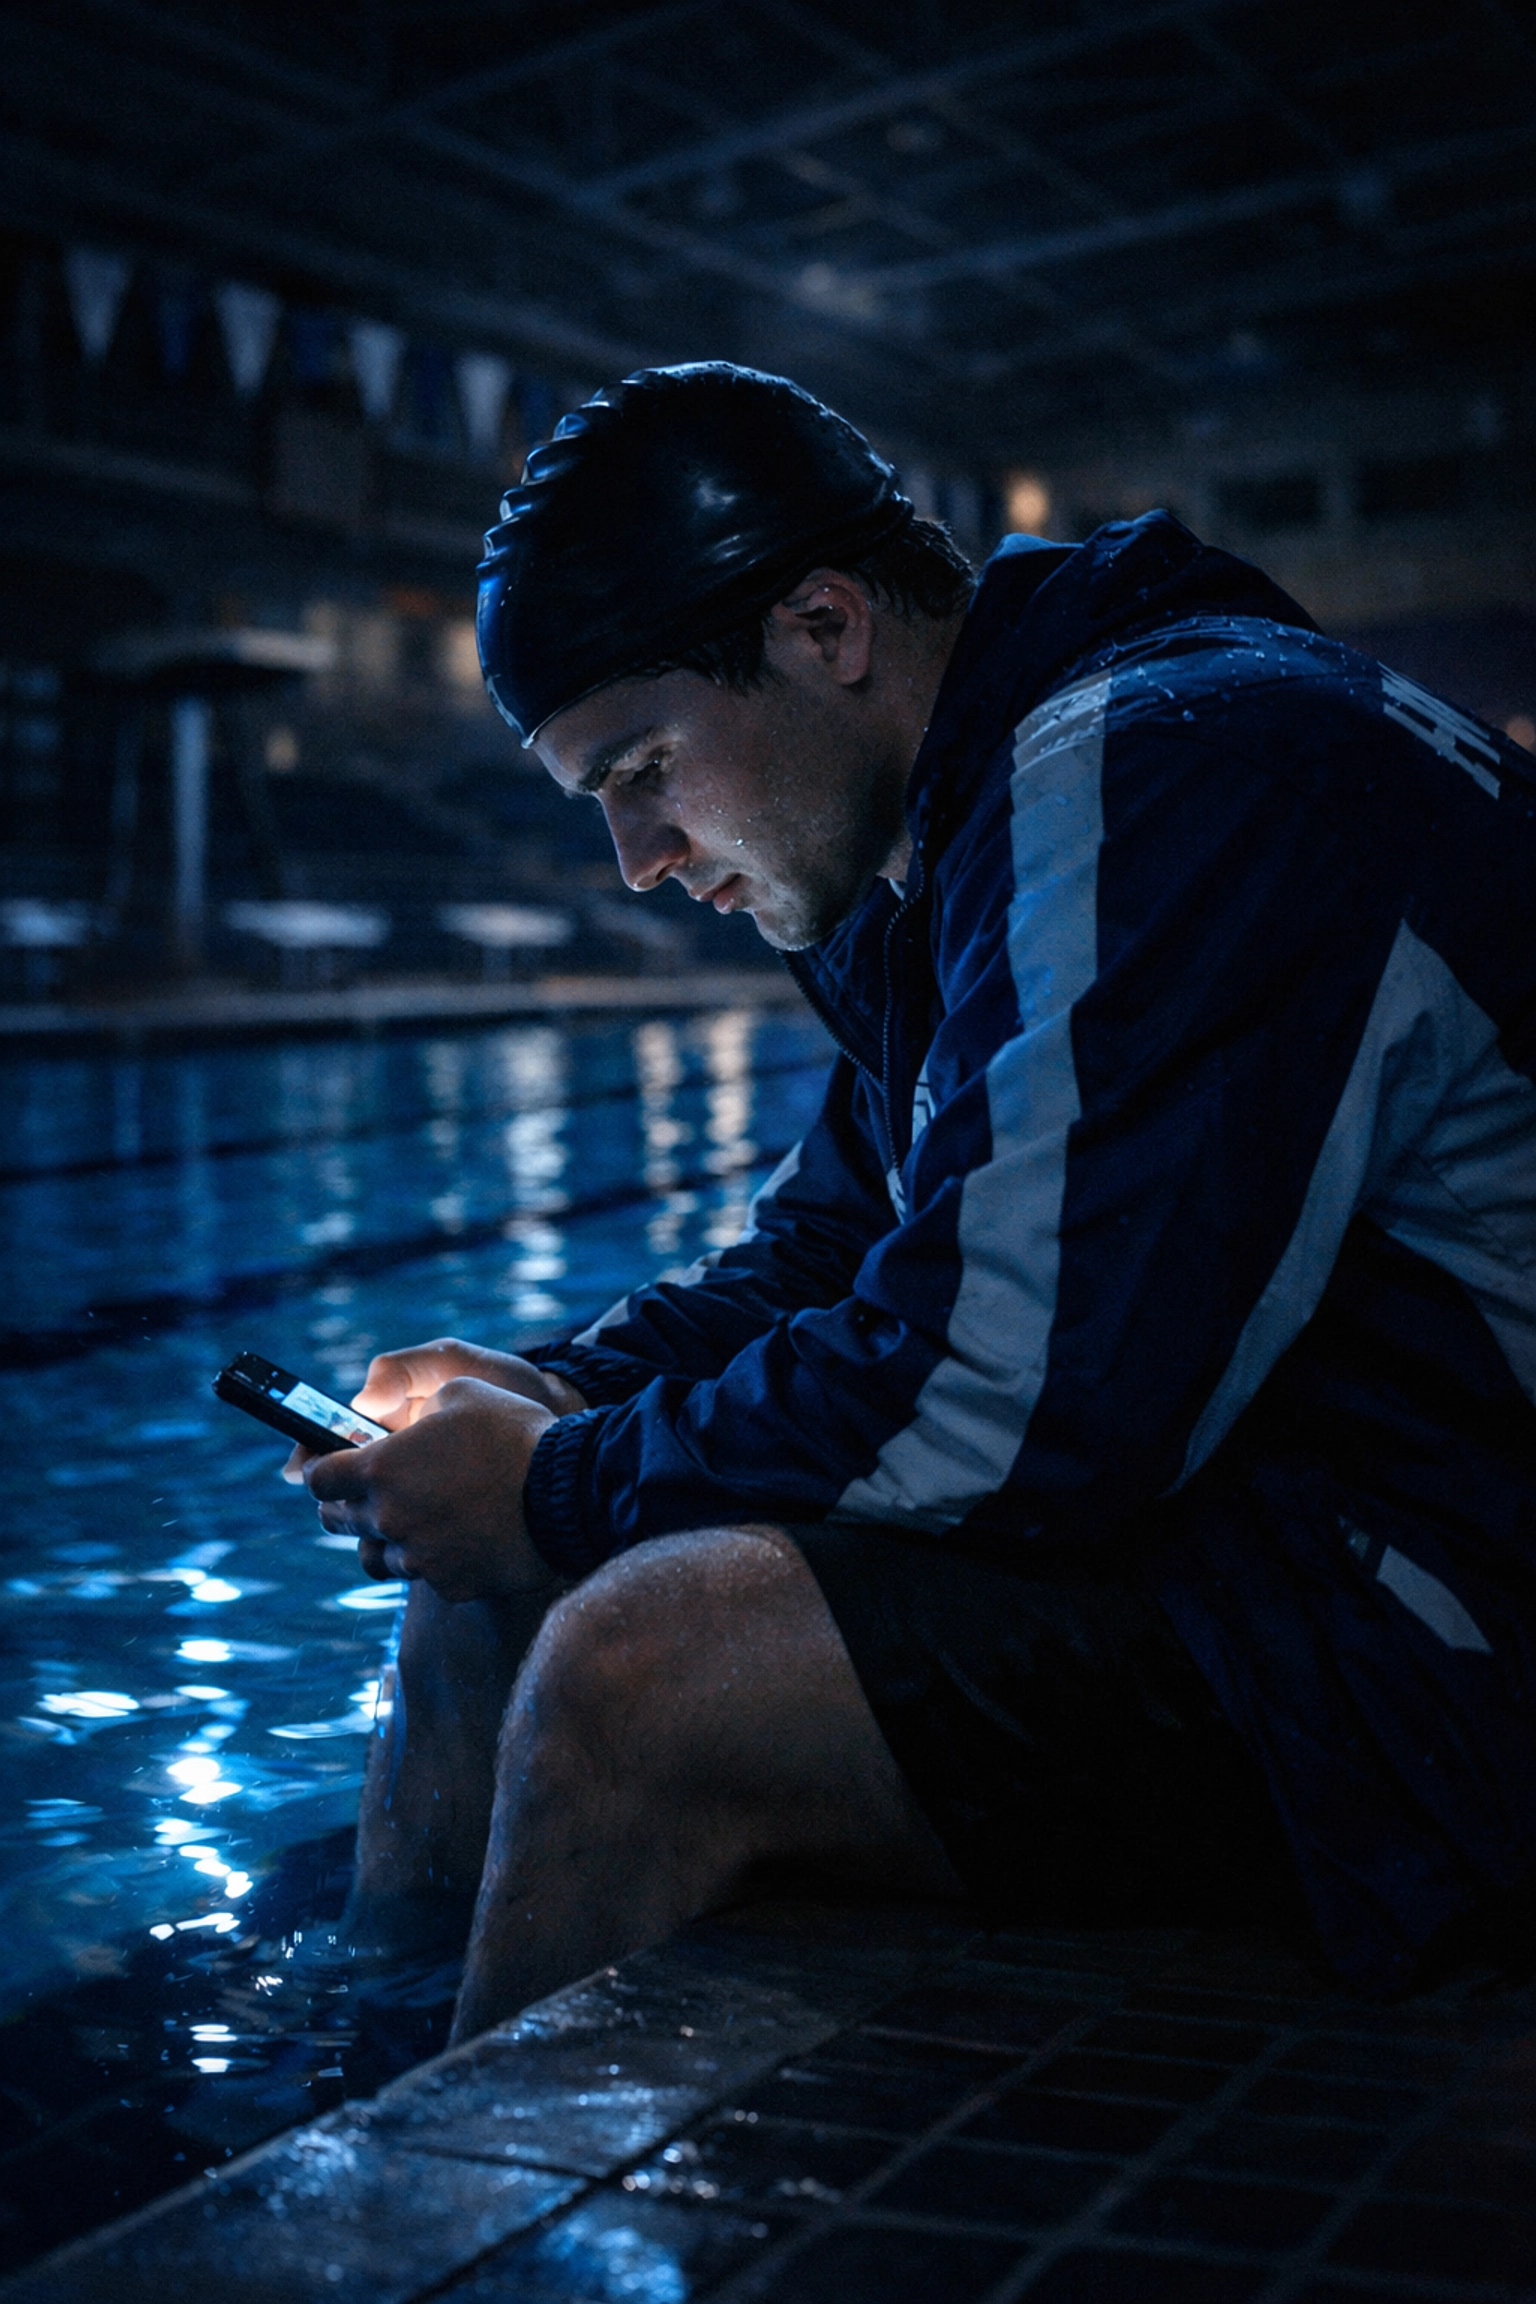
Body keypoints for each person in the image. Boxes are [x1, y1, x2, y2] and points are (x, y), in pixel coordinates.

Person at [293, 364, 1536, 2044]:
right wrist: (553, 1395)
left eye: (645, 768)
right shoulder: (952, 850)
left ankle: (464, 2229)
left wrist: (569, 1483)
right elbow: (838, 1250)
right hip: (1297, 1528)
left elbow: (1015, 1402)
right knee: (485, 1586)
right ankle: (366, 2096)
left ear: (824, 628)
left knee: (637, 1674)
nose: (639, 859)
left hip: (1463, 1636)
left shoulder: (1171, 767)